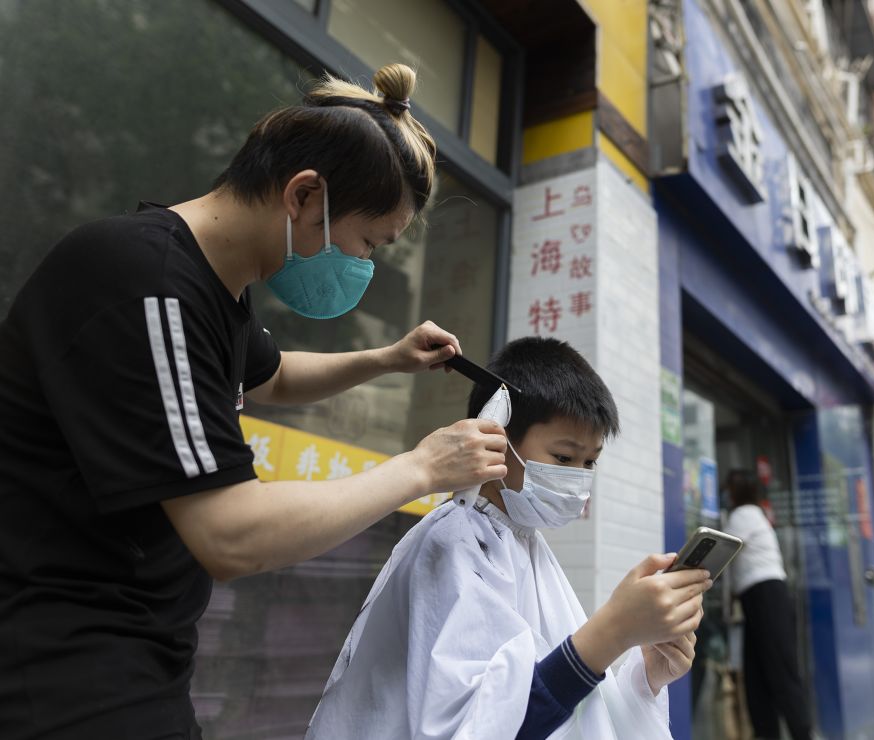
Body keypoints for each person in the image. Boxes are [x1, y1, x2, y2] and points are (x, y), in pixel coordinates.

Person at [0, 64, 510, 740]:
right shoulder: (147, 285)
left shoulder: (216, 289)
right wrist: (422, 468)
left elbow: (269, 378)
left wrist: (387, 358)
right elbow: (229, 534)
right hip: (61, 662)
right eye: (368, 243)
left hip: (137, 650)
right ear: (304, 195)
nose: (364, 266)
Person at [306, 337, 712, 739]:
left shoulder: (521, 542)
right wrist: (613, 630)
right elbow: (483, 727)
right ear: (496, 436)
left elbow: (563, 702)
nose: (579, 476)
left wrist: (647, 679)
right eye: (564, 458)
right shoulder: (457, 544)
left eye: (591, 461)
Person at [723, 470, 812, 740]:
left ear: (736, 492)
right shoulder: (756, 514)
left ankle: (801, 734)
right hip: (760, 599)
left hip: (766, 596)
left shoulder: (744, 515)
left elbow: (724, 551)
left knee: (780, 674)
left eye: (728, 489)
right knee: (757, 677)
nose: (725, 494)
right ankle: (767, 733)